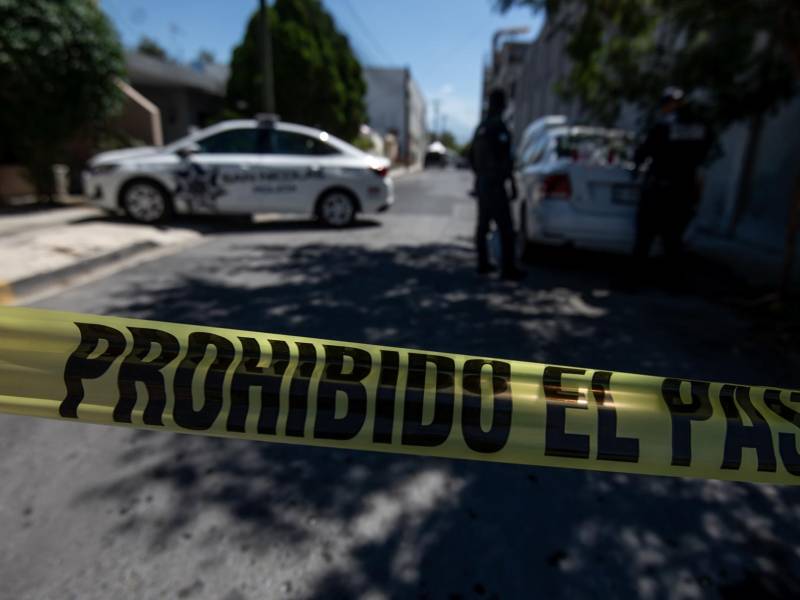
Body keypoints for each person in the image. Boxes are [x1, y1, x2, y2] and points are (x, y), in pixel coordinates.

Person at [632, 87, 712, 268]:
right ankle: (672, 280)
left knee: (645, 236)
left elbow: (643, 152)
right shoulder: (701, 128)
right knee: (673, 238)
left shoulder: (663, 126)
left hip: (659, 190)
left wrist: (637, 168)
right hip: (683, 190)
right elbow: (704, 155)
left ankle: (635, 278)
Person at [469, 88, 525, 280]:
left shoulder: (480, 128)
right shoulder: (498, 128)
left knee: (483, 226)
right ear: (502, 105)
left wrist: (479, 177)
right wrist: (512, 183)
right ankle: (508, 268)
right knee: (506, 228)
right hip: (495, 184)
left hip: (482, 183)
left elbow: (471, 157)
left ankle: (483, 263)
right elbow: (505, 161)